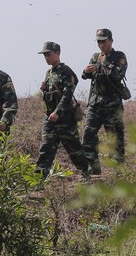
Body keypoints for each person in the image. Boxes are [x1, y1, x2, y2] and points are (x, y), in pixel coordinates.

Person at [35, 42, 90, 180]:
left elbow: (67, 94)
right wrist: (44, 89)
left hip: (65, 119)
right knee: (46, 149)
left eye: (49, 54)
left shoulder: (66, 71)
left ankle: (86, 171)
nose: (46, 57)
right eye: (45, 55)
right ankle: (39, 178)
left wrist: (58, 112)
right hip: (50, 119)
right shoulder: (49, 73)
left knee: (74, 149)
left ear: (58, 53)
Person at [81, 28, 128, 174]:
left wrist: (102, 65)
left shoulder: (119, 56)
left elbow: (118, 74)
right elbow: (85, 76)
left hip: (112, 107)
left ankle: (117, 172)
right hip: (95, 105)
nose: (101, 45)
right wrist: (86, 71)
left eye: (104, 41)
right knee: (87, 136)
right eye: (99, 42)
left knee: (115, 140)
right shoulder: (95, 57)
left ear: (111, 41)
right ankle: (92, 170)